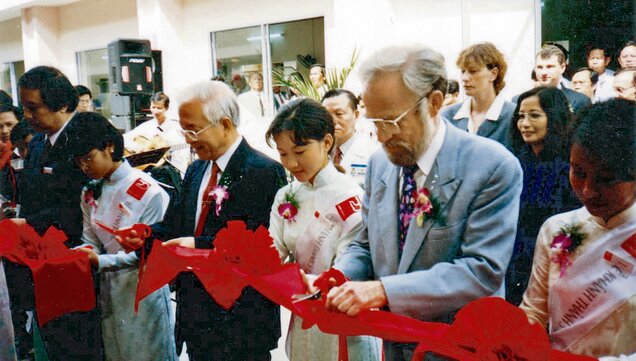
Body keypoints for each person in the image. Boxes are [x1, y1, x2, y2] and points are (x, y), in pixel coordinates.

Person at [319, 44, 522, 361]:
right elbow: (365, 243)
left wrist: (384, 290)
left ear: (434, 103)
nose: (382, 136)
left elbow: (481, 271)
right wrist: (339, 278)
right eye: (374, 122)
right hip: (395, 346)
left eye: (391, 120)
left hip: (458, 349)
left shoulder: (491, 167)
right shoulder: (380, 165)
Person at [117, 80, 287, 361]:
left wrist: (197, 244)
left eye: (193, 129)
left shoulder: (263, 171)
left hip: (241, 318)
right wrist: (146, 234)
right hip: (196, 313)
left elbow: (263, 244)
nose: (187, 139)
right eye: (184, 129)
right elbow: (176, 223)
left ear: (225, 125)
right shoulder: (196, 169)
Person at [266, 98, 381, 361]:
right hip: (304, 314)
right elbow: (273, 252)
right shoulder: (286, 195)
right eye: (284, 154)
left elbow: (353, 260)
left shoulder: (350, 196)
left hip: (343, 311)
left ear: (327, 143)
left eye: (300, 151)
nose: (292, 163)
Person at [520, 99, 636, 359]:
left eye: (606, 179)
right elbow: (534, 314)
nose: (588, 190)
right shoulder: (557, 229)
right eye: (578, 171)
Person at [65, 112, 177, 360]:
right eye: (78, 161)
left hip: (142, 292)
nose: (84, 167)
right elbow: (90, 241)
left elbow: (148, 253)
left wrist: (99, 261)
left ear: (110, 146)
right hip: (107, 290)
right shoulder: (90, 192)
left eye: (88, 158)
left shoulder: (149, 191)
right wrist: (85, 254)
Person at [13, 65, 102, 360]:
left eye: (33, 108)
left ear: (62, 104)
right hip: (41, 263)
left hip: (76, 264)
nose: (26, 117)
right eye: (24, 107)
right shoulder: (37, 141)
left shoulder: (87, 140)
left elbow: (83, 207)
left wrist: (27, 222)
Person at [505, 86, 581, 306]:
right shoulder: (516, 161)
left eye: (534, 115)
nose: (525, 123)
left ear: (554, 116)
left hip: (556, 260)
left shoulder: (569, 164)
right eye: (520, 116)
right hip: (517, 259)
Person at [441, 42, 515, 149]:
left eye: (473, 71)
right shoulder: (448, 116)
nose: (464, 78)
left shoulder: (514, 116)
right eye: (463, 71)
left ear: (493, 74)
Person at [322, 89, 379, 187]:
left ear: (356, 115)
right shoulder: (316, 152)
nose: (332, 121)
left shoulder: (373, 154)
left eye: (339, 114)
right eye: (326, 115)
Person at [123, 91, 190, 174]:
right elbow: (125, 138)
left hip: (175, 170)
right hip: (154, 171)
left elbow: (183, 153)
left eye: (159, 108)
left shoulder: (176, 127)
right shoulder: (146, 126)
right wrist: (137, 149)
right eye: (153, 107)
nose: (155, 111)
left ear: (166, 108)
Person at [534, 45, 591, 113]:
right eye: (540, 67)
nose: (544, 72)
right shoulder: (524, 100)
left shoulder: (578, 100)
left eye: (549, 67)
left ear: (562, 68)